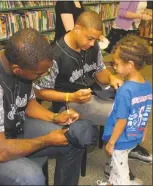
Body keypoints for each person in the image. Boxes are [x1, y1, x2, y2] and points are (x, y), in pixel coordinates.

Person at [0, 28, 98, 185]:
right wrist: (46, 140)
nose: (43, 76)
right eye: (39, 74)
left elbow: (26, 103)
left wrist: (54, 117)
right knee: (31, 178)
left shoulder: (20, 60)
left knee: (73, 138)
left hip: (11, 128)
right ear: (17, 69)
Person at [33, 10, 152, 184]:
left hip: (92, 93)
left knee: (132, 101)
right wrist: (70, 96)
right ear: (77, 28)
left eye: (95, 39)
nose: (93, 43)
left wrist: (111, 78)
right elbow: (39, 92)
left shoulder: (92, 46)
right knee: (124, 113)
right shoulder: (56, 55)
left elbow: (99, 72)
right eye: (90, 38)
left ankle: (120, 155)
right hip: (70, 102)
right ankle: (119, 161)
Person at [97, 34, 152, 185]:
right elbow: (145, 110)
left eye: (116, 64)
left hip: (120, 139)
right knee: (117, 166)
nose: (113, 67)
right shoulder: (147, 85)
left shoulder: (125, 90)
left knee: (122, 174)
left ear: (130, 64)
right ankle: (110, 183)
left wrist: (111, 142)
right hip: (135, 134)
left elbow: (122, 120)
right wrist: (143, 131)